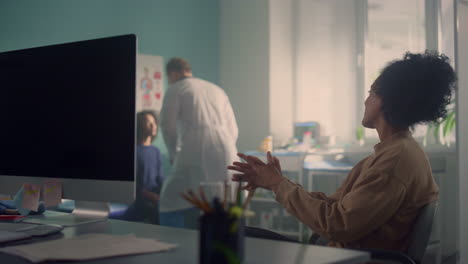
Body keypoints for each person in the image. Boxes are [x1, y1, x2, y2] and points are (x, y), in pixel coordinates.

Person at [228, 51, 456, 251]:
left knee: (238, 238)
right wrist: (278, 182)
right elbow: (335, 208)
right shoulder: (394, 152)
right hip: (340, 252)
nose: (366, 101)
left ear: (387, 100)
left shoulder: (395, 160)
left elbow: (337, 225)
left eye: (371, 93)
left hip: (352, 258)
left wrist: (278, 184)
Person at [159, 57, 239, 229]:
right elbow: (233, 129)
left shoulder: (176, 89)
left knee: (170, 200)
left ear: (172, 74)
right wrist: (226, 147)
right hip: (226, 150)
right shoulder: (217, 89)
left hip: (194, 148)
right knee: (220, 203)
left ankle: (172, 241)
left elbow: (167, 126)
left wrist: (173, 153)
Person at [122, 110, 164, 224]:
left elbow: (160, 179)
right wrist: (153, 197)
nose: (153, 125)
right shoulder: (134, 151)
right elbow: (135, 185)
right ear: (139, 125)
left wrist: (164, 194)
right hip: (140, 199)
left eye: (154, 122)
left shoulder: (156, 152)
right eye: (148, 122)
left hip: (155, 199)